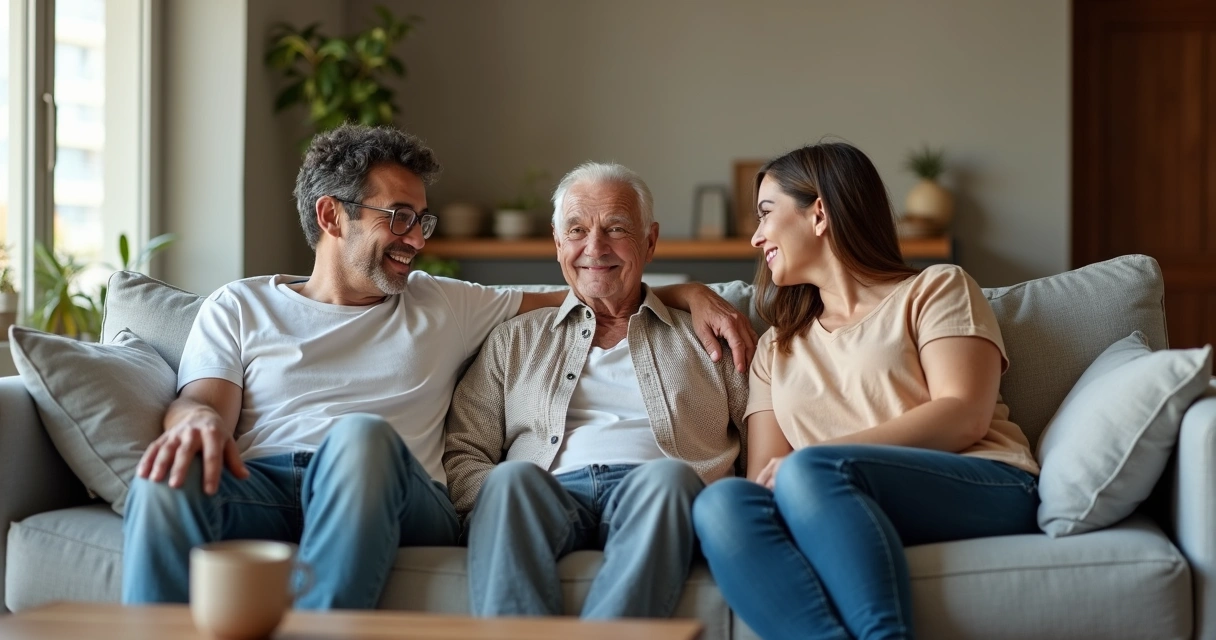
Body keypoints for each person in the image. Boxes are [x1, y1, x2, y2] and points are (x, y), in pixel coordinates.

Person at [121, 125, 756, 609]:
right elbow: (203, 403)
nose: (418, 239)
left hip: (389, 487)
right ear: (330, 215)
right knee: (159, 480)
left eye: (421, 220)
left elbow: (595, 289)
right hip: (265, 482)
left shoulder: (443, 301)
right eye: (398, 217)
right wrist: (191, 423)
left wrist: (693, 291)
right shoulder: (241, 303)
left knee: (361, 437)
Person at [691, 142, 1041, 640]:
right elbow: (766, 479)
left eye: (767, 214)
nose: (755, 237)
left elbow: (965, 415)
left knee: (810, 470)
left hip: (985, 484)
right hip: (833, 499)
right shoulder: (776, 348)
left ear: (818, 213)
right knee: (721, 506)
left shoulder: (935, 289)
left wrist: (821, 459)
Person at [443, 162, 749, 619]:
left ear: (650, 241)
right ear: (557, 241)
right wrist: (490, 497)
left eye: (616, 228)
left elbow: (763, 430)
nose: (595, 247)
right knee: (509, 480)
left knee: (667, 478)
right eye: (577, 230)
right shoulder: (516, 338)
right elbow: (464, 449)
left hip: (659, 495)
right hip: (544, 493)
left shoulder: (707, 336)